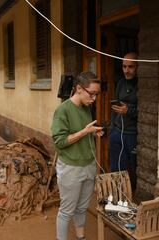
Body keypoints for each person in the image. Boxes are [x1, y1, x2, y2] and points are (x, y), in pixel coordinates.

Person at [51, 71, 104, 240]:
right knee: (66, 211)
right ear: (79, 89)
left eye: (97, 94)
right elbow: (59, 142)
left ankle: (81, 238)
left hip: (88, 165)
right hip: (71, 168)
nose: (94, 98)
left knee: (82, 208)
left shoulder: (86, 108)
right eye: (92, 94)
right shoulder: (62, 110)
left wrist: (93, 133)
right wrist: (84, 131)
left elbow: (83, 131)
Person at [109, 52, 138, 191]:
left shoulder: (142, 84)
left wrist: (129, 111)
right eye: (124, 66)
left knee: (132, 169)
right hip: (117, 131)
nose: (127, 70)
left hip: (132, 134)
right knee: (116, 167)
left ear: (138, 66)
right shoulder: (120, 82)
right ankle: (117, 197)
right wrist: (112, 126)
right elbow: (115, 104)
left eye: (131, 67)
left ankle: (130, 197)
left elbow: (147, 111)